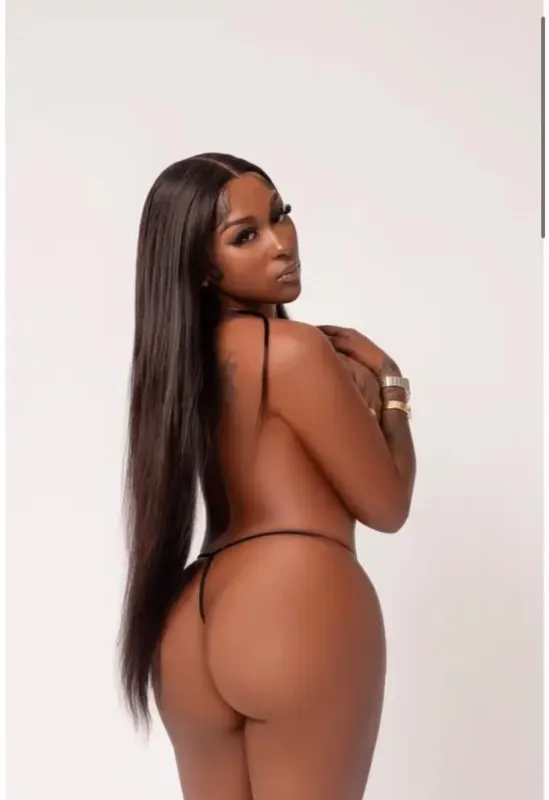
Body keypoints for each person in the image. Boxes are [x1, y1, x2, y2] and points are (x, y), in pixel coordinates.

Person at [119, 153, 416, 800]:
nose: (281, 243)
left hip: (189, 623)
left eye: (280, 215)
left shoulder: (175, 368)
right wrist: (391, 387)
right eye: (245, 235)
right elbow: (387, 505)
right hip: (294, 602)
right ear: (203, 266)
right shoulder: (294, 352)